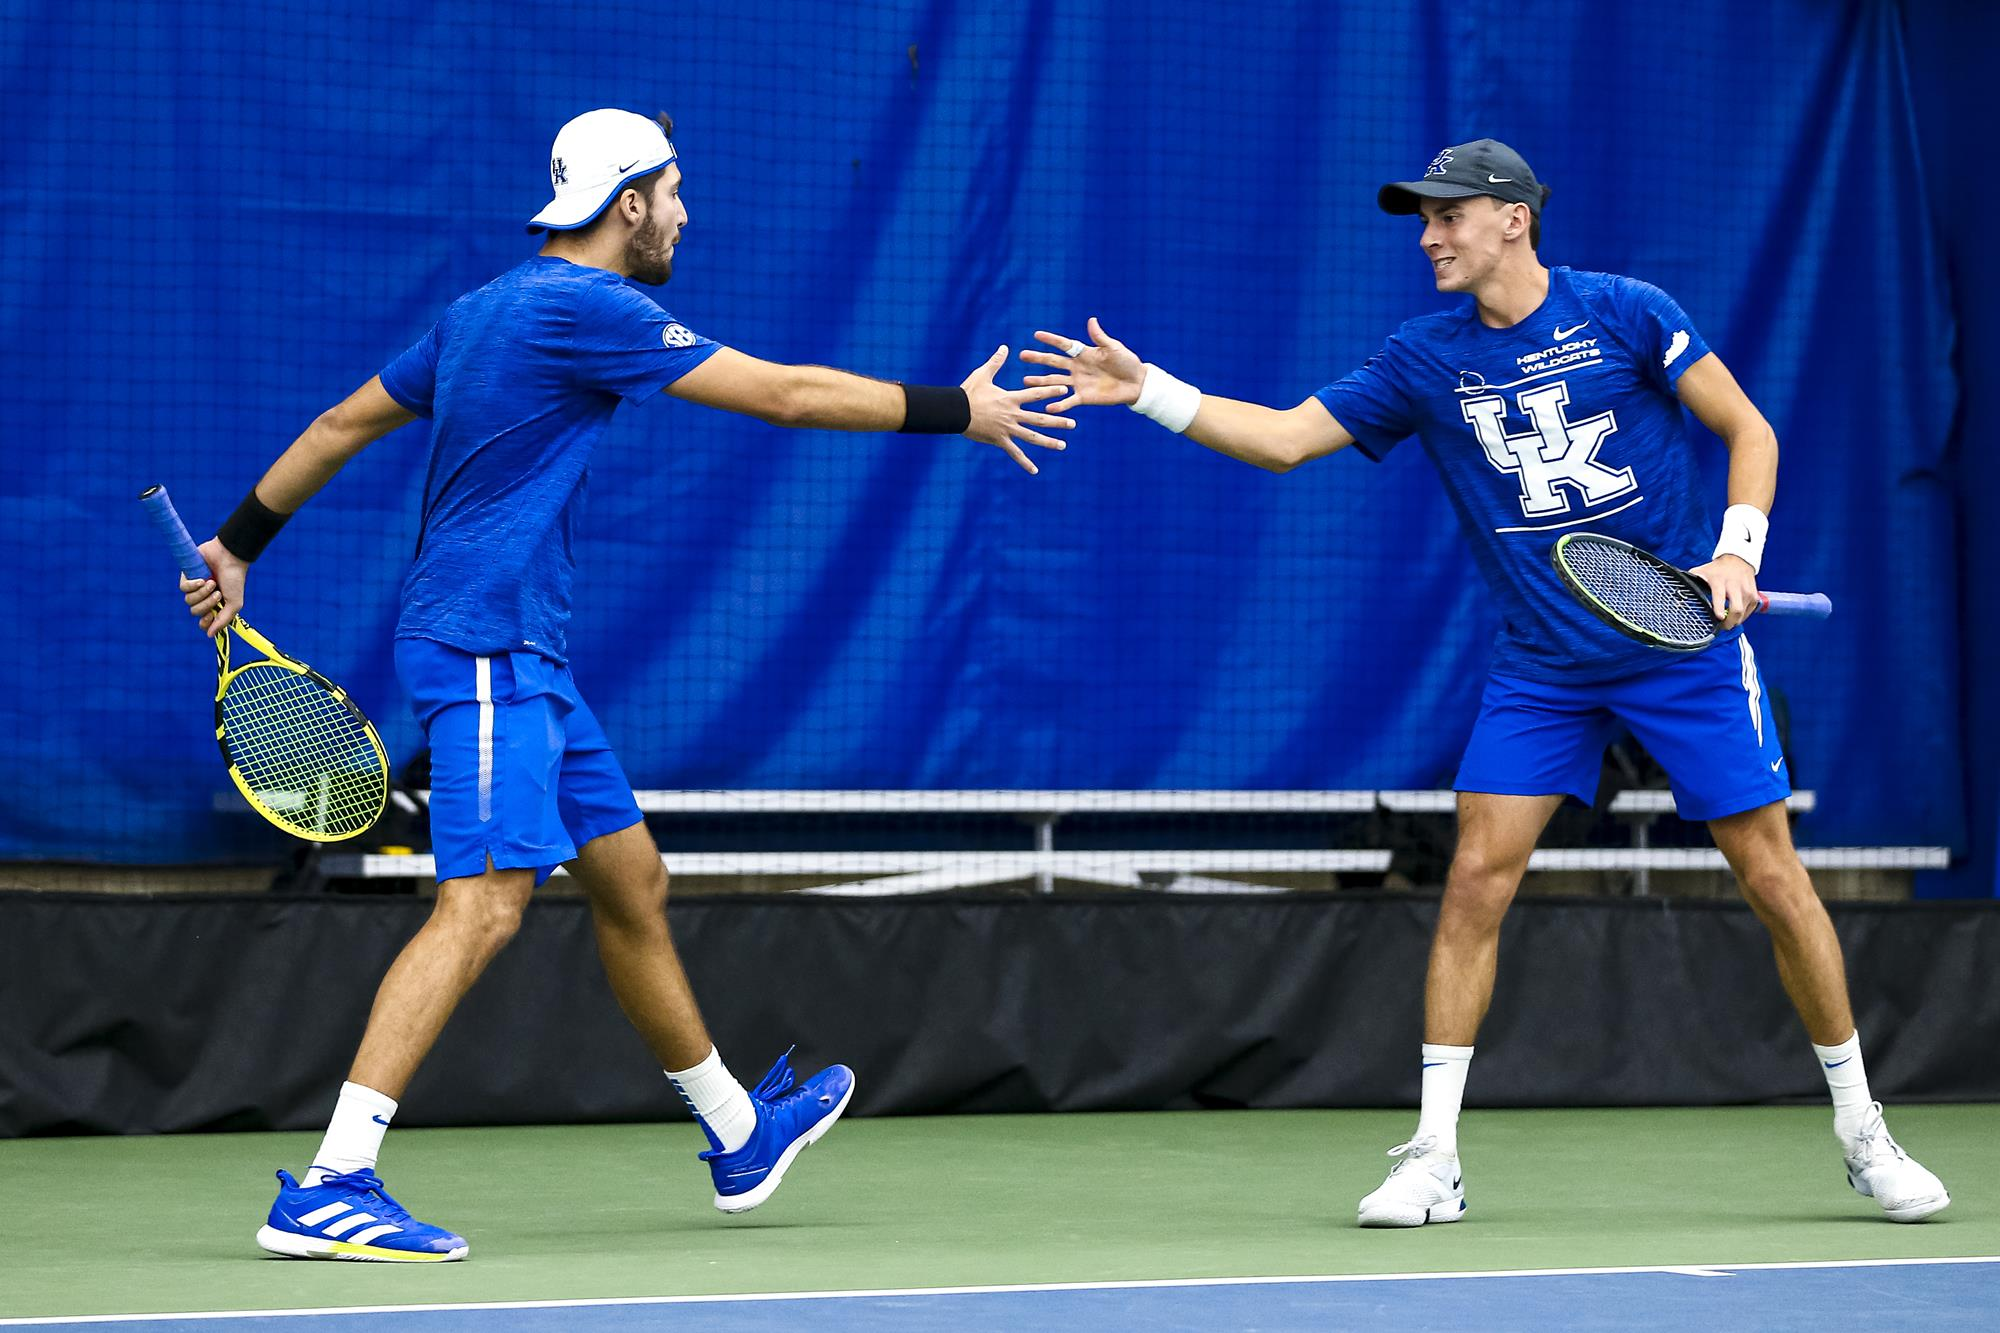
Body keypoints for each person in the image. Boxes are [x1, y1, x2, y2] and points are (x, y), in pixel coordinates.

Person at [180, 108, 1072, 1262]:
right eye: (674, 190)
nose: (686, 212)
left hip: (528, 653)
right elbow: (787, 395)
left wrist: (241, 540)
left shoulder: (479, 309)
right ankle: (334, 1178)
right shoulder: (585, 304)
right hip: (485, 643)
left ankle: (736, 1130)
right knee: (486, 905)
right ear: (628, 204)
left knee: (630, 880)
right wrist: (956, 409)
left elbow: (343, 421)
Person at [1023, 138, 1948, 1228]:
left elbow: (1747, 428)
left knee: (1772, 881)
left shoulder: (1627, 312)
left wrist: (1736, 550)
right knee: (1471, 880)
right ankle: (1431, 1157)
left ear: (1511, 217)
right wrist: (1148, 393)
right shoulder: (1421, 358)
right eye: (1421, 220)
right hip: (1541, 664)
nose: (1427, 237)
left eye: (1446, 216)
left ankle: (1861, 1131)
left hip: (1682, 650)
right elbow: (1280, 442)